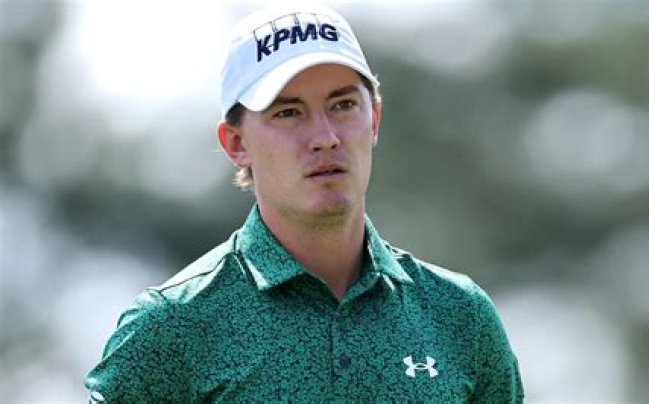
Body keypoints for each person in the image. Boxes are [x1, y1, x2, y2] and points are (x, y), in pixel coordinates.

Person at [85, 5, 523, 402]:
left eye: (343, 105)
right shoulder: (170, 328)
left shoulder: (460, 316)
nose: (325, 138)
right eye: (288, 113)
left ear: (374, 120)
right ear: (236, 143)